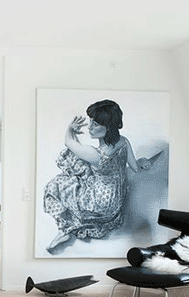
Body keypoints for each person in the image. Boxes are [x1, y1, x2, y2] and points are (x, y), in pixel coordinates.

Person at [43, 99, 152, 252]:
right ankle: (68, 229)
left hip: (100, 203)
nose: (90, 127)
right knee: (81, 168)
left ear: (108, 127)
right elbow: (135, 168)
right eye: (90, 122)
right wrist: (141, 161)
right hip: (116, 203)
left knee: (55, 185)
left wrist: (70, 129)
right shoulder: (123, 141)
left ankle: (65, 229)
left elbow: (68, 142)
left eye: (95, 124)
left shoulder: (95, 154)